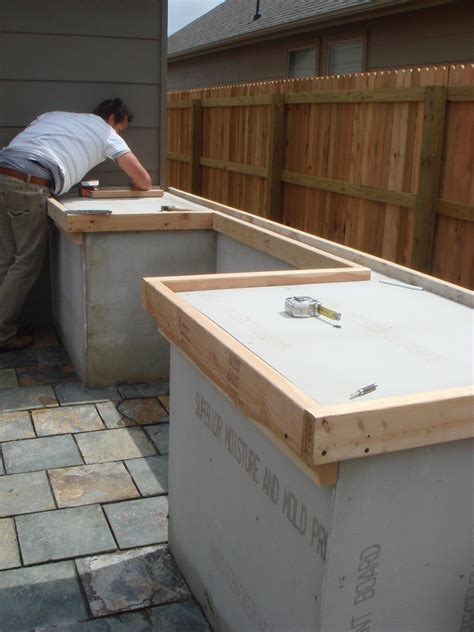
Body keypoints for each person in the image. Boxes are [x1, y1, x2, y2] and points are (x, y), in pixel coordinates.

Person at [0, 98, 151, 351]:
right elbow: (144, 180)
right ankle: (2, 333)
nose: (120, 134)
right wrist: (138, 185)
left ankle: (3, 323)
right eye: (121, 129)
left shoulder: (52, 115)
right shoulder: (106, 132)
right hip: (28, 184)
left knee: (5, 259)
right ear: (112, 119)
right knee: (26, 262)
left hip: (3, 172)